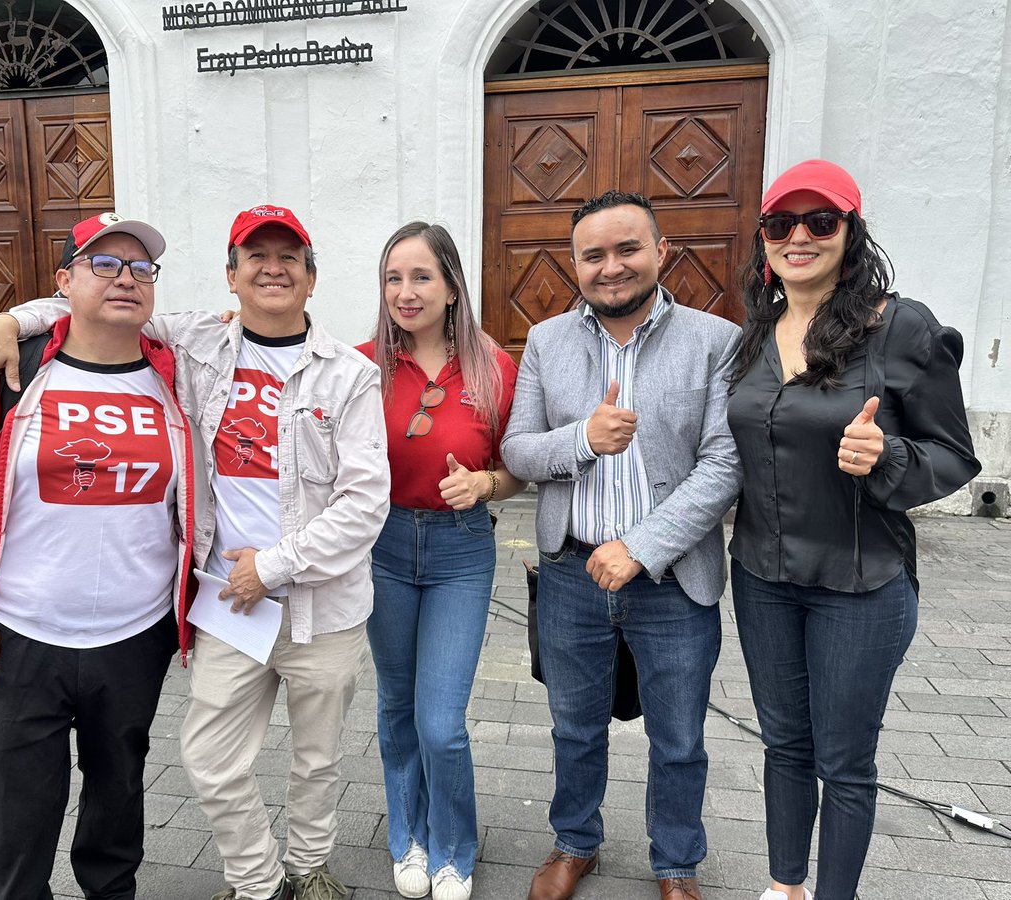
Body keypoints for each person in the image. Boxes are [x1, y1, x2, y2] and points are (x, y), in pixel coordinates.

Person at [0, 205, 391, 900]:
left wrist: (271, 568)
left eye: (289, 258)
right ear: (231, 276)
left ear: (312, 279)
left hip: (322, 604)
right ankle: (256, 881)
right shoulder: (194, 341)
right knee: (211, 758)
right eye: (256, 256)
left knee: (317, 759)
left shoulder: (350, 374)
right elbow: (96, 304)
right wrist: (8, 321)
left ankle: (309, 868)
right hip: (225, 601)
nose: (272, 268)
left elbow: (366, 504)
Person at [0, 212, 193, 899]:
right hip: (17, 638)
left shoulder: (178, 378)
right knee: (14, 811)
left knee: (118, 794)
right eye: (104, 263)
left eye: (140, 268)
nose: (126, 278)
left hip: (135, 636)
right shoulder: (13, 374)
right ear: (65, 280)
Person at [726, 159, 981, 900]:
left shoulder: (900, 326)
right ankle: (785, 887)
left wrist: (889, 454)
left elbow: (954, 454)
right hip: (763, 577)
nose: (798, 236)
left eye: (820, 221)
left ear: (851, 231)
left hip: (859, 585)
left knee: (843, 762)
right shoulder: (756, 330)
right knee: (784, 744)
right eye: (780, 223)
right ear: (763, 239)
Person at [501, 191, 742, 900]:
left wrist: (641, 545)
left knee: (678, 739)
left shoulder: (714, 340)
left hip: (673, 578)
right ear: (574, 264)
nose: (612, 267)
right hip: (572, 571)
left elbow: (724, 463)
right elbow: (516, 449)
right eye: (594, 255)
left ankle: (676, 864)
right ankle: (576, 842)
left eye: (627, 249)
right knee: (573, 727)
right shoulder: (546, 341)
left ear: (660, 252)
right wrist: (583, 438)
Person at [356, 222, 524, 900]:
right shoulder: (362, 367)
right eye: (394, 277)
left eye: (421, 276)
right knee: (397, 706)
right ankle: (411, 836)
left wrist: (484, 484)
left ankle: (456, 846)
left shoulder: (494, 368)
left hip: (461, 550)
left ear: (453, 286)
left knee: (440, 721)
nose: (406, 291)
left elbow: (516, 469)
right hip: (383, 547)